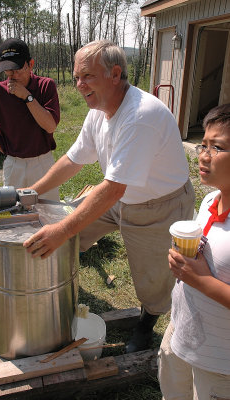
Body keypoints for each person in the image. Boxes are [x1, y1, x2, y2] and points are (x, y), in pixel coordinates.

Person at [23, 40, 195, 353]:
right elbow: (73, 160)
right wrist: (32, 193)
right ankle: (52, 298)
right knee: (68, 235)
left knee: (151, 277)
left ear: (115, 74)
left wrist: (62, 229)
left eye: (86, 76)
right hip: (117, 197)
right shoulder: (99, 111)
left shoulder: (139, 116)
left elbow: (114, 187)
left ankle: (146, 322)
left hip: (158, 204)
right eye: (76, 77)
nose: (79, 85)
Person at [158, 103, 230, 399]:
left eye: (217, 148)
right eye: (203, 145)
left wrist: (199, 278)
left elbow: (202, 275)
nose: (203, 155)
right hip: (182, 333)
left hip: (218, 360)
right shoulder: (211, 200)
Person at [0, 38, 60, 201]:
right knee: (15, 215)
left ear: (30, 64)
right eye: (7, 70)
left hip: (42, 163)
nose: (12, 75)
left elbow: (50, 126)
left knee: (50, 213)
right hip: (14, 164)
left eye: (17, 69)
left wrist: (27, 97)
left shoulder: (46, 86)